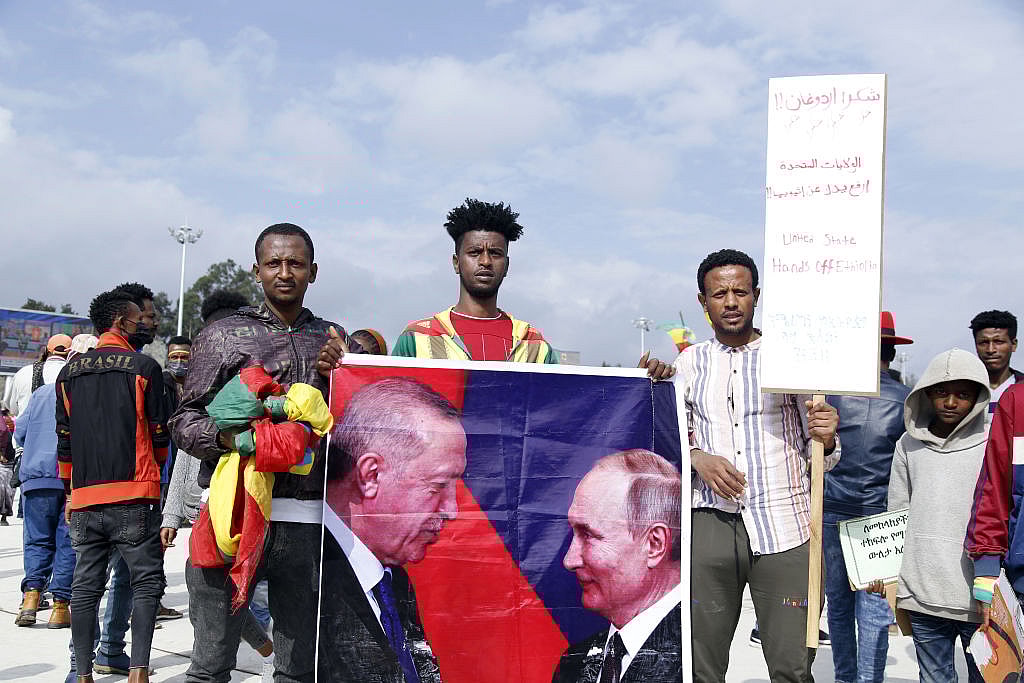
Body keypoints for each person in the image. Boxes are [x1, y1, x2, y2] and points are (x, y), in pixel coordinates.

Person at [170, 223, 362, 683]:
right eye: (273, 263)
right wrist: (232, 440)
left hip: (307, 523)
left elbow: (356, 426)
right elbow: (184, 418)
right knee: (211, 664)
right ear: (256, 271)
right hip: (230, 516)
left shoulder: (335, 340)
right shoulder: (224, 335)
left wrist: (345, 374)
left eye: (295, 263)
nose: (284, 272)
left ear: (313, 272)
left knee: (299, 669)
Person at [676, 248, 840, 683]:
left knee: (791, 665)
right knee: (701, 663)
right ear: (703, 301)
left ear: (757, 296)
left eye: (740, 292)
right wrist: (697, 459)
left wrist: (827, 434)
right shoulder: (688, 364)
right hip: (709, 526)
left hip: (785, 526)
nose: (730, 302)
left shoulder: (791, 358)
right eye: (719, 293)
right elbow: (666, 442)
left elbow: (823, 453)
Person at [319, 377, 466, 683]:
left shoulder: (392, 580)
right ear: (370, 475)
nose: (452, 509)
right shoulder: (307, 574)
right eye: (438, 486)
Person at [57, 288, 169, 683]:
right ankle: (138, 671)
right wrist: (154, 477)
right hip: (134, 495)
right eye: (140, 319)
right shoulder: (143, 367)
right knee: (146, 583)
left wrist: (71, 492)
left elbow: (65, 439)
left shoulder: (68, 373)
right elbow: (159, 436)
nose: (145, 324)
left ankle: (83, 674)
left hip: (86, 498)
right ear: (121, 322)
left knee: (85, 588)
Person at [876, 348, 989, 682]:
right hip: (921, 593)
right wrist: (884, 572)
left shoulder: (991, 443)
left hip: (977, 597)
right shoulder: (907, 445)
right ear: (925, 394)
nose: (951, 402)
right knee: (934, 678)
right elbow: (896, 511)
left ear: (978, 397)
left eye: (962, 395)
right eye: (941, 392)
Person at [820, 312, 912, 683]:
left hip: (831, 510)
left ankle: (844, 677)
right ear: (892, 349)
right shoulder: (908, 401)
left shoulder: (830, 396)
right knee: (874, 609)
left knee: (839, 608)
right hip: (880, 516)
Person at [553, 450, 683, 683]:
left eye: (588, 535)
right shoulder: (575, 662)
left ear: (654, 544)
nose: (569, 560)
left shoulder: (697, 656)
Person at [12, 335, 96, 627]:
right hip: (73, 479)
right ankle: (60, 606)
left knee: (36, 539)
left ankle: (31, 597)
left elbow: (19, 433)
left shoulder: (43, 393)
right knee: (67, 541)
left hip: (36, 477)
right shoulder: (90, 395)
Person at [969, 310, 1023, 425]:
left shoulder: (1021, 388)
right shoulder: (964, 390)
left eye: (998, 341)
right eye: (983, 342)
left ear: (1013, 344)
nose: (991, 350)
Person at [3, 333, 71, 416]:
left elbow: (13, 408)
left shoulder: (24, 372)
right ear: (71, 352)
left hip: (28, 428)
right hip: (61, 427)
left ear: (46, 350)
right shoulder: (73, 373)